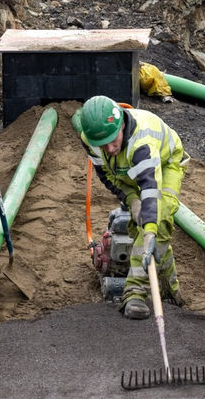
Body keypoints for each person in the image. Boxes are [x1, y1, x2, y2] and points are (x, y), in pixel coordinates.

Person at [76, 96, 188, 320]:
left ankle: (134, 292)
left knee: (159, 221)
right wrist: (130, 199)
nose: (109, 148)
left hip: (165, 165)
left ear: (122, 125)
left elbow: (150, 188)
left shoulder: (142, 143)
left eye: (112, 139)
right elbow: (107, 177)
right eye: (102, 144)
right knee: (144, 228)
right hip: (125, 169)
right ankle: (171, 291)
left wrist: (149, 232)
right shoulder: (91, 141)